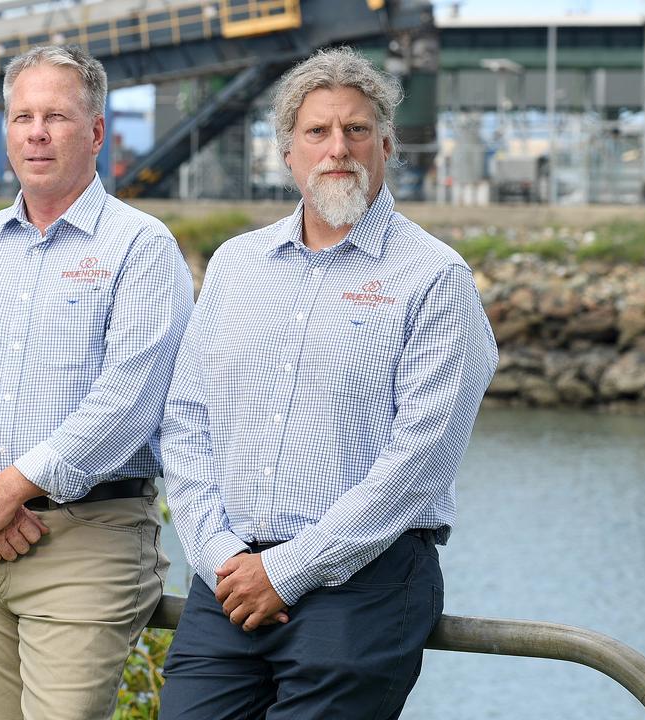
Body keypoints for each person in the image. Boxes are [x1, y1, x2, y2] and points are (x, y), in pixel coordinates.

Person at [158, 47, 499, 719]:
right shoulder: (235, 266)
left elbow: (419, 462)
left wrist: (286, 572)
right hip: (229, 581)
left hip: (362, 586)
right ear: (286, 152)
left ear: (387, 145)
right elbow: (185, 418)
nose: (336, 148)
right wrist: (219, 555)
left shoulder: (435, 278)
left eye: (356, 130)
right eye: (317, 132)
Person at [0, 45, 194, 720]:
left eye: (56, 116)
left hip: (85, 545)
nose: (36, 132)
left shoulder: (141, 248)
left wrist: (11, 488)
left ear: (95, 133)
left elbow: (130, 400)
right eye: (22, 116)